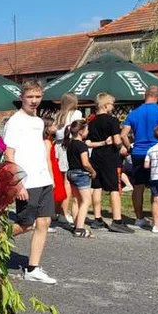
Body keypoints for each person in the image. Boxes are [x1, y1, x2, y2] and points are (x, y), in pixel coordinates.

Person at [3, 80, 57, 284]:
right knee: (26, 224)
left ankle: (33, 268)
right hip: (27, 181)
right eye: (30, 97)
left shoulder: (38, 121)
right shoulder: (15, 121)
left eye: (37, 97)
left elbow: (40, 151)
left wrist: (49, 177)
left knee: (44, 222)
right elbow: (9, 154)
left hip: (43, 179)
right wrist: (18, 183)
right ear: (22, 97)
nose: (34, 101)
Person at [122, 85, 158, 227]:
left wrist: (129, 147)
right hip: (157, 152)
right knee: (157, 187)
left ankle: (139, 217)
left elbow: (123, 134)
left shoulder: (134, 113)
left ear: (145, 95)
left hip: (138, 152)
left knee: (138, 186)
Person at [85, 92, 132, 233]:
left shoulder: (91, 121)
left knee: (97, 186)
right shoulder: (112, 120)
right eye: (112, 104)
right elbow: (117, 140)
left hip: (96, 156)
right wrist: (122, 148)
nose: (113, 106)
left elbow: (89, 141)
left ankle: (97, 218)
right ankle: (117, 220)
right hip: (110, 157)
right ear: (106, 105)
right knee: (114, 188)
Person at [53, 93, 82, 224]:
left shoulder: (58, 115)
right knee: (67, 181)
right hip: (68, 145)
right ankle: (64, 213)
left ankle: (55, 210)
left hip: (57, 146)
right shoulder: (76, 114)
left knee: (56, 179)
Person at [65, 119, 96, 238]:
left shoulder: (70, 144)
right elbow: (85, 163)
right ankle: (80, 228)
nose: (88, 131)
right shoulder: (82, 145)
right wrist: (93, 172)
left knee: (76, 200)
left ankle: (76, 224)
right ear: (81, 132)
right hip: (81, 174)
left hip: (71, 172)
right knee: (86, 201)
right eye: (87, 129)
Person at [43, 121, 67, 232]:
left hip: (53, 164)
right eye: (53, 125)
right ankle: (43, 220)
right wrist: (51, 175)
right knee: (49, 194)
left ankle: (49, 215)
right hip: (51, 165)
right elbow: (47, 158)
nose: (55, 127)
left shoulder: (49, 139)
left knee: (54, 193)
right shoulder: (46, 141)